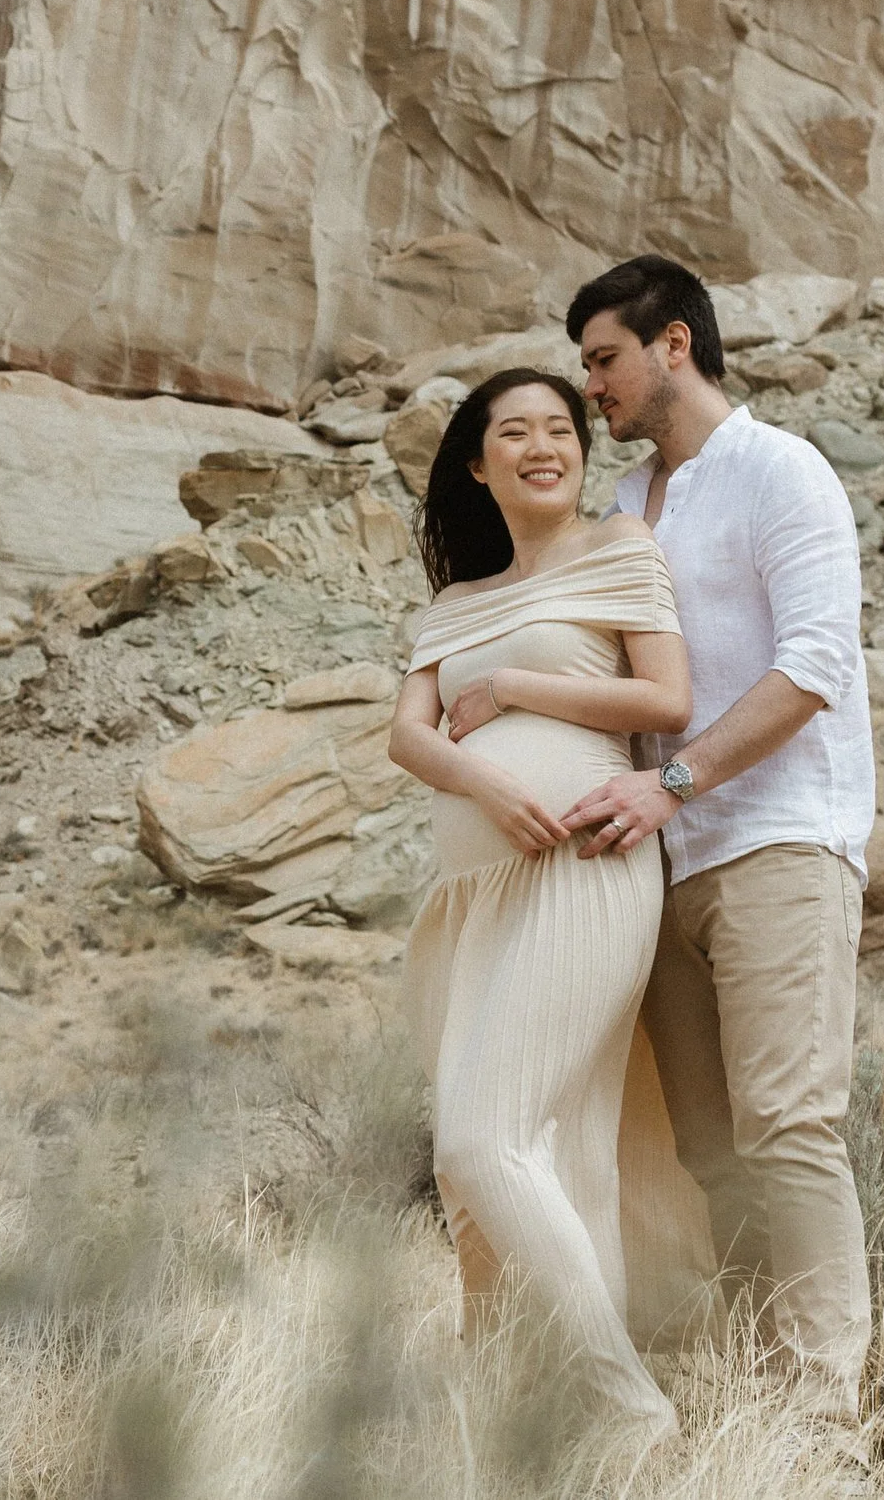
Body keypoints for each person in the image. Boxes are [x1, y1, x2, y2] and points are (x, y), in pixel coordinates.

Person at [555, 255, 877, 1429]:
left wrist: (674, 783)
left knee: (790, 1123)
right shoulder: (626, 509)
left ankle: (825, 1415)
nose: (592, 385)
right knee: (706, 1145)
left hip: (777, 840)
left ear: (674, 344)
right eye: (584, 365)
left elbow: (814, 668)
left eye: (605, 358)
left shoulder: (780, 471)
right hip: (658, 868)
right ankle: (756, 1386)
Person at [386, 366, 693, 1432]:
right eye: (511, 432)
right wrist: (482, 779)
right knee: (496, 1163)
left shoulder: (619, 548)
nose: (540, 444)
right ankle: (520, 1416)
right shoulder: (456, 601)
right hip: (474, 891)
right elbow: (408, 733)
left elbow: (666, 697)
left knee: (486, 1138)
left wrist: (513, 692)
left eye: (559, 426)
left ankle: (629, 1409)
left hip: (582, 865)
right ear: (477, 465)